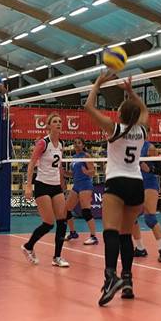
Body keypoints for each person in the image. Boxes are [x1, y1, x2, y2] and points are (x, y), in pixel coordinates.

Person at [84, 71, 148, 305]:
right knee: (125, 235)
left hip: (117, 182)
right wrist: (131, 92)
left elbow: (88, 107)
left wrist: (97, 84)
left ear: (120, 114)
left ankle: (111, 278)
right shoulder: (142, 130)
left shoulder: (115, 129)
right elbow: (144, 110)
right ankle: (128, 280)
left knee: (110, 232)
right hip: (137, 184)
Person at [20, 113, 69, 268]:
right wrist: (28, 186)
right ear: (48, 126)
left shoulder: (61, 144)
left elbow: (58, 166)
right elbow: (31, 163)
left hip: (56, 186)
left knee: (62, 222)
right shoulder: (43, 143)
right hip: (42, 185)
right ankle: (28, 246)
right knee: (48, 223)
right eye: (55, 121)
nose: (58, 123)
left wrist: (62, 183)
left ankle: (57, 257)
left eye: (60, 121)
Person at [132, 139, 161, 262]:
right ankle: (140, 248)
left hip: (149, 184)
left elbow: (160, 170)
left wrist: (149, 170)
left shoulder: (150, 147)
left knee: (150, 218)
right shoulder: (130, 145)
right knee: (131, 217)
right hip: (135, 183)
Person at [64, 138, 99, 245]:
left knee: (86, 211)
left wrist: (86, 172)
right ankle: (73, 233)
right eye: (75, 143)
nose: (76, 144)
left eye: (79, 143)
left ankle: (93, 237)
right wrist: (64, 173)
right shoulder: (74, 157)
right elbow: (73, 174)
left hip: (85, 185)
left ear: (83, 145)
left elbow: (92, 172)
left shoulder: (86, 156)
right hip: (76, 186)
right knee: (66, 210)